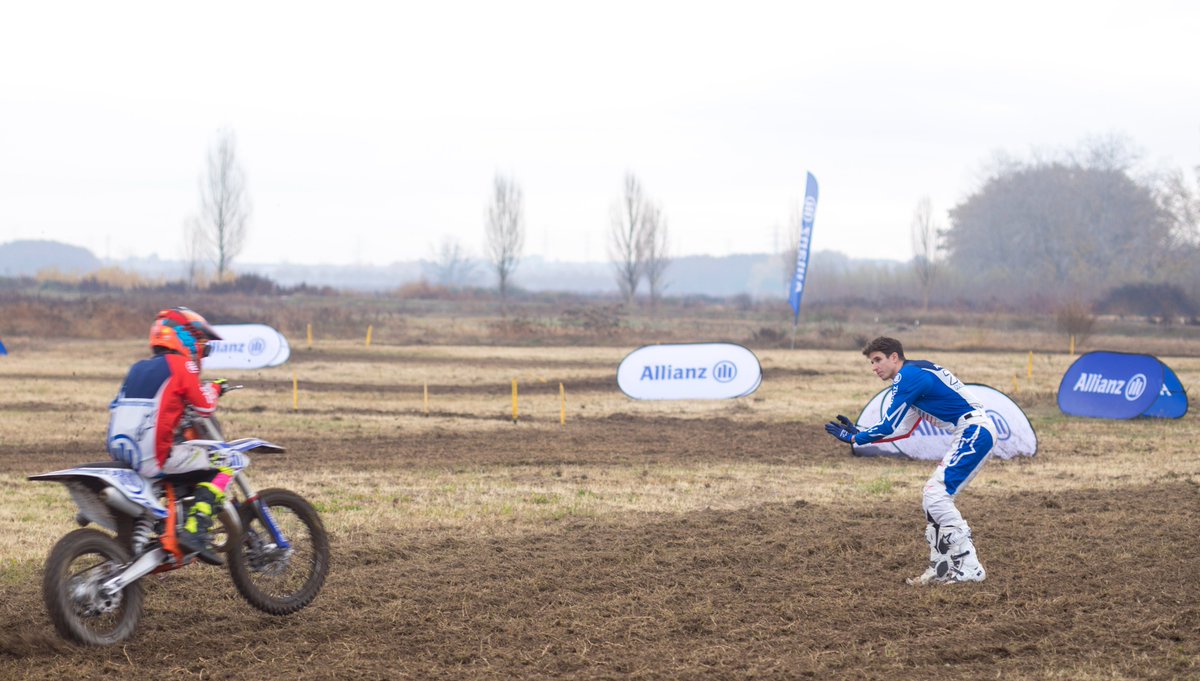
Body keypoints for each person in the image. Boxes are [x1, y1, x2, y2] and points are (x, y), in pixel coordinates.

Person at [823, 336, 995, 585]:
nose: (874, 367)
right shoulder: (914, 375)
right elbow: (901, 429)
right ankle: (941, 567)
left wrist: (854, 438)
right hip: (973, 431)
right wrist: (860, 433)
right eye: (872, 362)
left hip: (974, 431)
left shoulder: (907, 376)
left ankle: (969, 566)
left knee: (937, 495)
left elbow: (888, 425)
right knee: (932, 497)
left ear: (894, 357)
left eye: (878, 360)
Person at [106, 307, 231, 559]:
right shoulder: (182, 365)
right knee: (224, 463)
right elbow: (205, 406)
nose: (203, 351)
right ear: (186, 337)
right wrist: (215, 388)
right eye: (202, 344)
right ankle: (195, 530)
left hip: (121, 452)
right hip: (153, 456)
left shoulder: (138, 368)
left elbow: (118, 405)